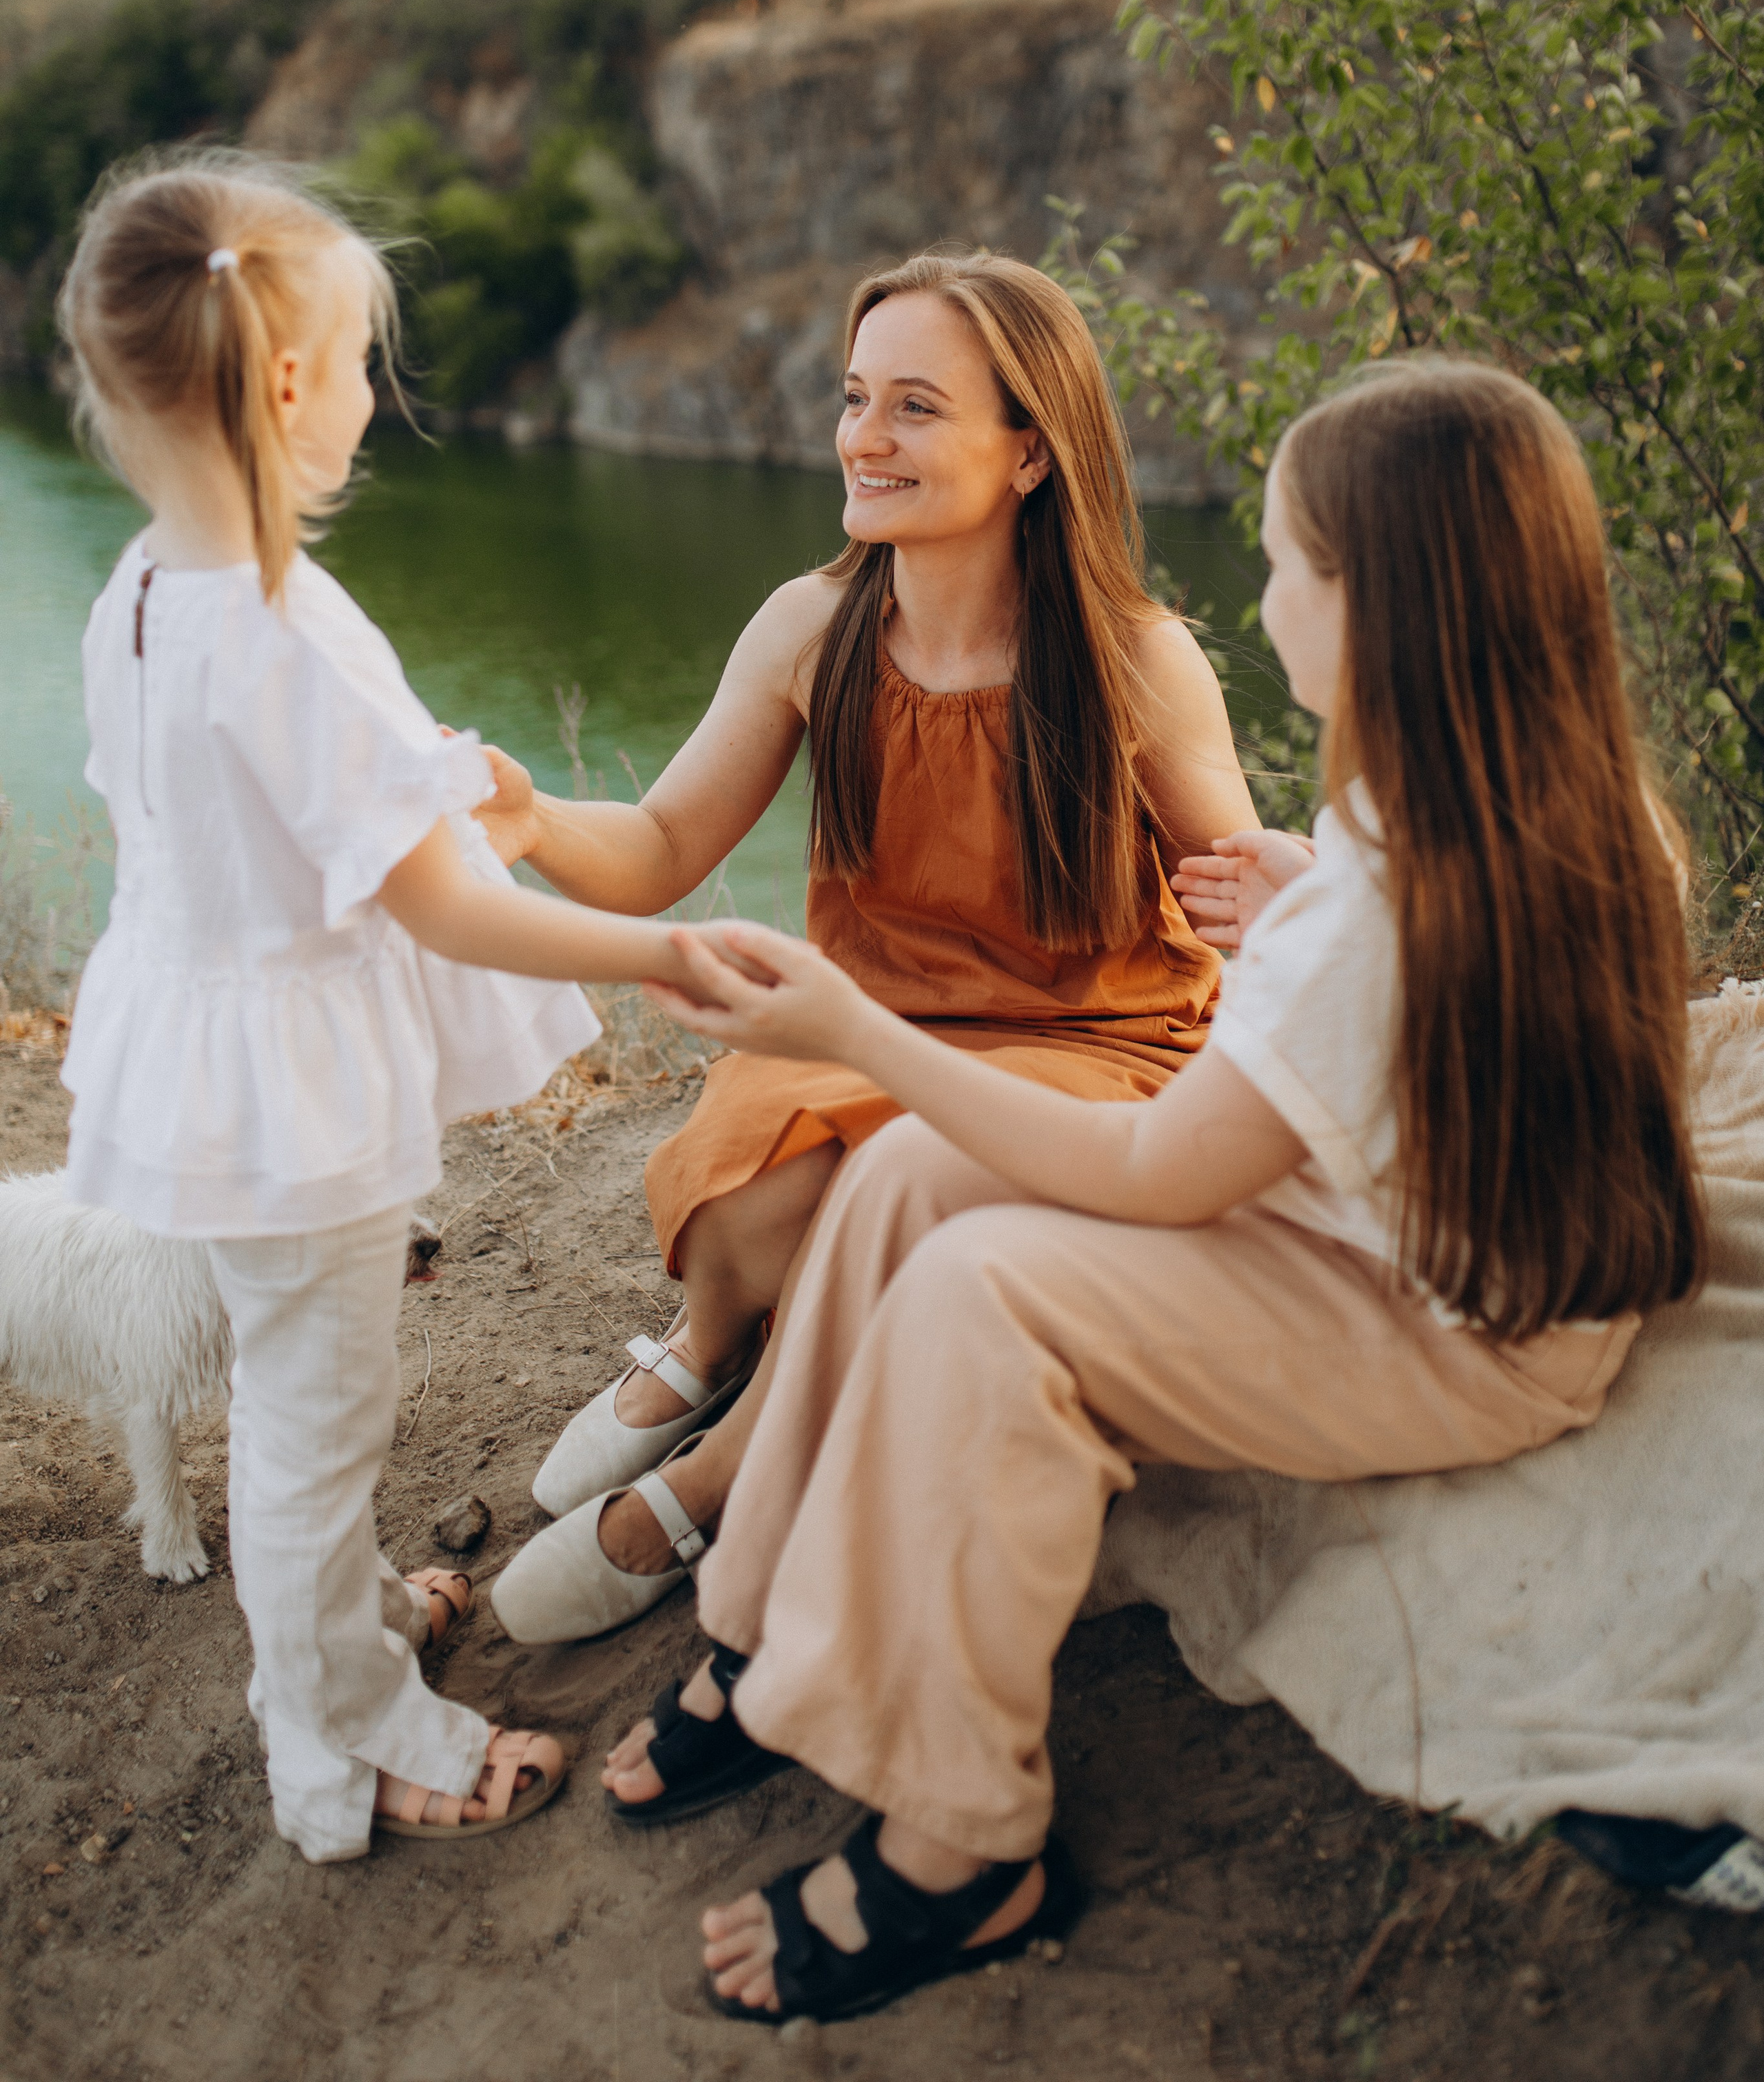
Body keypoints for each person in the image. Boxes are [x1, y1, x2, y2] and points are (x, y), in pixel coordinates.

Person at [604, 358, 1707, 2027]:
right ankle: (764, 1622)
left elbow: (1148, 1162)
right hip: (1402, 1223)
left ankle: (966, 1846)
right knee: (910, 1179)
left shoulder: (1387, 898)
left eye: (1279, 566)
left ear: (1379, 604)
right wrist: (1306, 885)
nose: (1257, 604)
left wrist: (854, 1031)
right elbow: (1404, 973)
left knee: (987, 1292)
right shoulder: (1516, 804)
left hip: (1456, 1326)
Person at [56, 152, 723, 1868]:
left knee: (291, 1396)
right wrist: (662, 953)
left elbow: (259, 818)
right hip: (295, 1110)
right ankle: (344, 1750)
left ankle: (343, 1630)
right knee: (310, 1431)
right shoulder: (291, 626)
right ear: (288, 385)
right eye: (361, 360)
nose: (370, 393)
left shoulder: (140, 594)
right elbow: (443, 906)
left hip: (198, 1073)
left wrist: (446, 785)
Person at [480, 251, 1258, 1645]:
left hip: (1095, 1047)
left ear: (1028, 453)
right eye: (853, 399)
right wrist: (533, 814)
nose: (861, 438)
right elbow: (659, 846)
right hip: (868, 1029)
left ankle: (715, 1483)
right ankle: (710, 1342)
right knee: (754, 1209)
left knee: (901, 1194)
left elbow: (1242, 898)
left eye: (912, 407)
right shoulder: (813, 626)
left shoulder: (1136, 659)